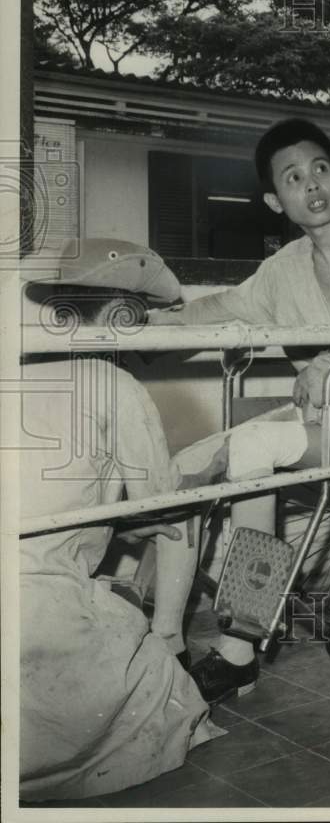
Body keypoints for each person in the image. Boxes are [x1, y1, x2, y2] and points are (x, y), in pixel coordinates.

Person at [148, 117, 330, 705]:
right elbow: (227, 303)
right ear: (278, 200)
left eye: (320, 169)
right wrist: (154, 321)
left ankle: (240, 648)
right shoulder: (287, 266)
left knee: (250, 448)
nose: (313, 185)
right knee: (186, 461)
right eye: (294, 177)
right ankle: (166, 638)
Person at [19, 240, 224, 801]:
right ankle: (171, 641)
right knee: (166, 706)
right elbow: (159, 500)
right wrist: (214, 471)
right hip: (40, 623)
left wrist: (120, 526)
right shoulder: (115, 384)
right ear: (116, 318)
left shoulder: (20, 372)